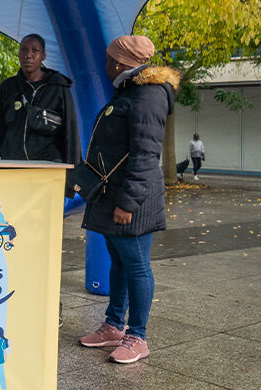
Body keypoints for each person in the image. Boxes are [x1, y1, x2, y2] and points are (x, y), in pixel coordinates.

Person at [77, 35, 179, 365]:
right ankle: (113, 326)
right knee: (119, 261)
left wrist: (128, 203)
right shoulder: (129, 91)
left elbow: (146, 154)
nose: (105, 65)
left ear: (122, 63)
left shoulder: (147, 95)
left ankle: (138, 335)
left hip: (132, 199)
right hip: (114, 194)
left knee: (135, 265)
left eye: (109, 60)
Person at [0, 34, 79, 166]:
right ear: (18, 54)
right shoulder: (8, 87)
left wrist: (73, 171)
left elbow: (70, 131)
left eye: (35, 50)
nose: (28, 55)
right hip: (13, 165)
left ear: (43, 56)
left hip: (48, 167)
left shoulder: (58, 87)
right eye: (24, 50)